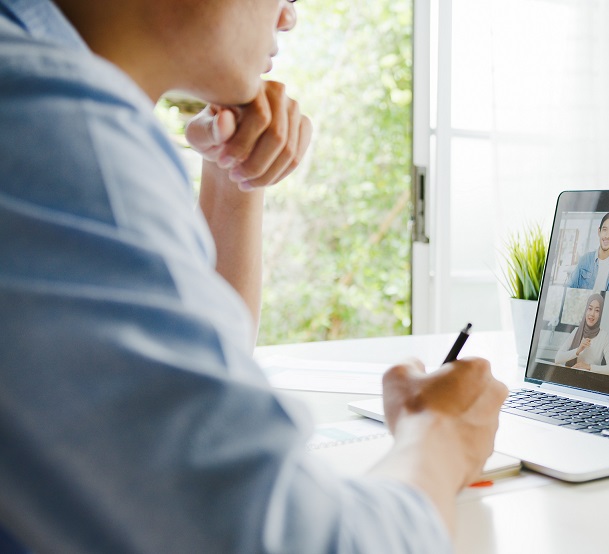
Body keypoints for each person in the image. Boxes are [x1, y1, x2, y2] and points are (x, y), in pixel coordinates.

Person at [0, 1, 507, 552]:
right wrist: (440, 435)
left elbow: (195, 379)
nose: (288, 16)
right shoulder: (49, 129)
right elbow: (289, 542)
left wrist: (232, 176)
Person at [567, 212, 609, 293]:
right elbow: (569, 288)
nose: (607, 235)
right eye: (604, 229)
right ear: (599, 231)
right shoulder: (585, 259)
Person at [554, 293, 609, 376]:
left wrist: (588, 366)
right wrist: (578, 350)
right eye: (590, 308)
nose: (592, 314)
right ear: (586, 310)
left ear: (600, 314)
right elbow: (557, 359)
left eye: (597, 310)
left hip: (589, 380)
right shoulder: (577, 331)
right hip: (571, 377)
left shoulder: (603, 336)